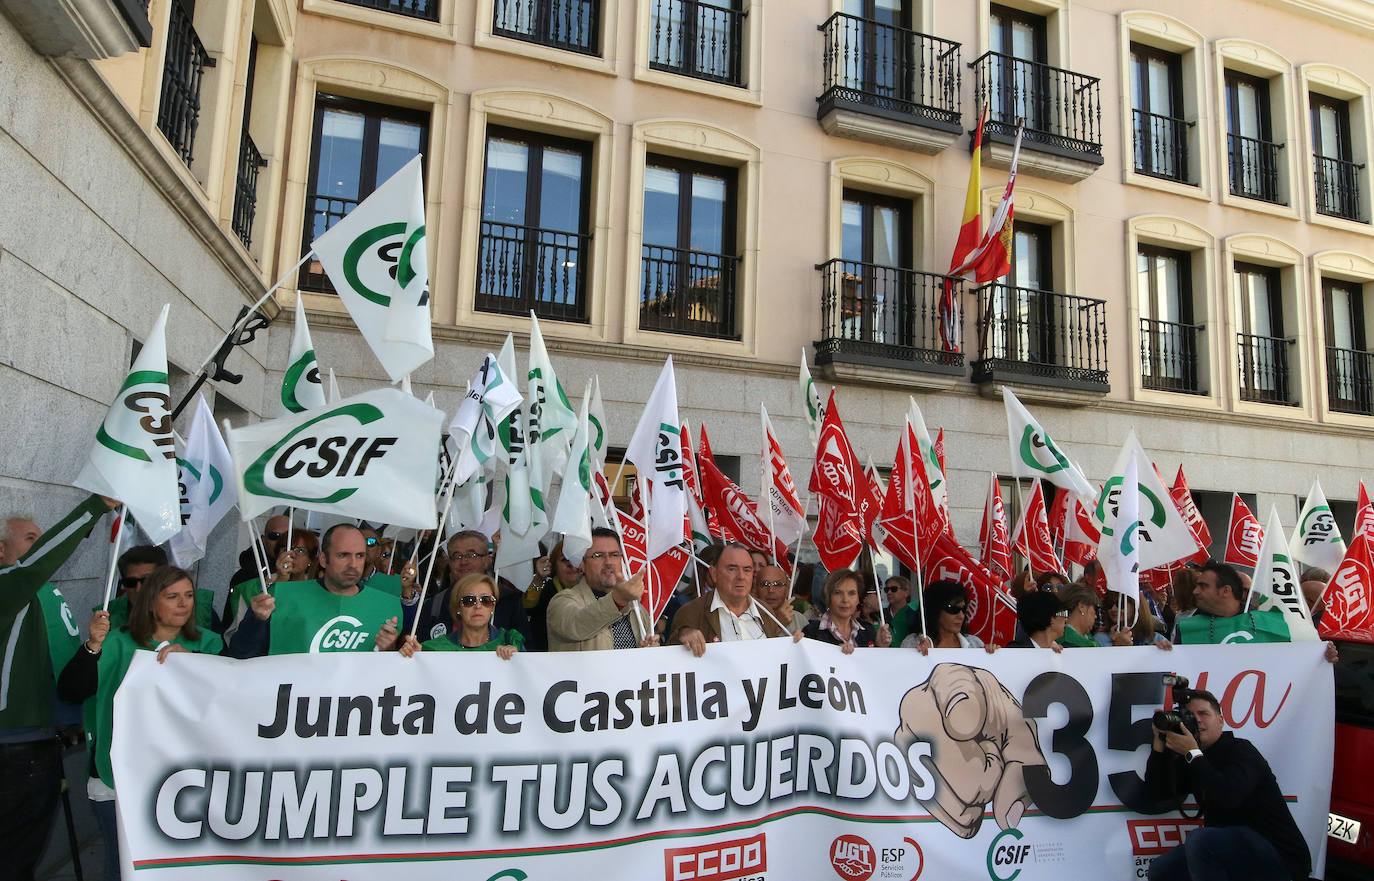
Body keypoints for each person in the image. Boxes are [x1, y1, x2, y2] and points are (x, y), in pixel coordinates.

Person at [58, 565, 222, 881]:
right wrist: (92, 645)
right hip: (116, 777)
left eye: (188, 595)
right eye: (172, 596)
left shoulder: (210, 644)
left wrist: (194, 666)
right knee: (123, 868)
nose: (184, 604)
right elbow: (70, 690)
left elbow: (226, 704)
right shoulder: (115, 642)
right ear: (149, 603)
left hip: (186, 780)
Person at [0, 493, 114, 881]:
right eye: (31, 538)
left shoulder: (33, 594)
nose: (42, 545)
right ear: (1, 550)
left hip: (34, 743)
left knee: (21, 859)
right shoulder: (8, 587)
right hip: (12, 748)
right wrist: (95, 506)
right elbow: (38, 563)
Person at [1144, 689, 1311, 881]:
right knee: (1162, 870)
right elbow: (1155, 794)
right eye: (1190, 716)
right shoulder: (1192, 757)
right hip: (1231, 853)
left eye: (1204, 714)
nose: (1197, 720)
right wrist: (1159, 741)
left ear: (1221, 721)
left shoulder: (1241, 750)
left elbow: (1229, 795)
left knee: (1200, 841)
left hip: (1278, 855)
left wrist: (1193, 754)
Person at [227, 524, 417, 657]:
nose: (353, 564)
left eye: (360, 556)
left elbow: (394, 681)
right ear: (324, 560)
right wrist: (256, 620)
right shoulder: (280, 597)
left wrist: (391, 651)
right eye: (343, 555)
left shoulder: (387, 606)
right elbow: (241, 653)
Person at [1175, 562, 1339, 662]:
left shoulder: (1273, 623)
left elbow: (1298, 661)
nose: (1195, 591)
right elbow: (1178, 668)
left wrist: (1323, 657)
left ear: (1225, 591)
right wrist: (1162, 652)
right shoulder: (1188, 628)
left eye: (1203, 586)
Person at [671, 546, 796, 656]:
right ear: (714, 574)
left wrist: (795, 646)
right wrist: (682, 636)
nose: (741, 576)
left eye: (747, 570)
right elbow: (670, 661)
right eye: (732, 569)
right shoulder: (692, 612)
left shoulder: (765, 612)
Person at [546, 528, 656, 651]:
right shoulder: (562, 601)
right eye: (598, 555)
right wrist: (617, 601)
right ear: (582, 564)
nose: (608, 562)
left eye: (614, 555)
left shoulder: (637, 610)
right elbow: (576, 624)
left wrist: (647, 653)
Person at [417, 531, 529, 644]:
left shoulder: (509, 602)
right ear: (450, 563)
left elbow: (526, 651)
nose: (464, 561)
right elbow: (421, 653)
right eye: (457, 556)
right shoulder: (435, 605)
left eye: (471, 555)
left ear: (486, 560)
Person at [107, 544, 222, 634]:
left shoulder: (201, 609)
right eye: (130, 582)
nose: (139, 589)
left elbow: (221, 661)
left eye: (146, 580)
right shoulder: (109, 615)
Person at [419, 573, 523, 658]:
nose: (478, 606)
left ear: (493, 607)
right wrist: (412, 656)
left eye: (486, 600)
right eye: (469, 600)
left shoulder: (510, 642)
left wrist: (518, 658)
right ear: (458, 607)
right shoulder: (435, 649)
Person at [803, 569, 892, 653]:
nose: (845, 600)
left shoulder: (869, 631)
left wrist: (880, 647)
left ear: (858, 598)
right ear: (828, 597)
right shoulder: (811, 632)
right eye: (838, 593)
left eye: (851, 593)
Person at [522, 541, 581, 652]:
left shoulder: (594, 590)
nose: (572, 564)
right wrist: (538, 578)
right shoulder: (546, 589)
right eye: (564, 560)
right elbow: (528, 607)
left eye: (577, 559)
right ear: (553, 565)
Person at [905, 580, 991, 652]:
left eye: (963, 609)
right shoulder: (913, 643)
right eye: (953, 609)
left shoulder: (974, 644)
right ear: (934, 610)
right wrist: (916, 656)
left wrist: (993, 654)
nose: (961, 616)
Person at [1097, 590, 1170, 647]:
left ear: (1136, 606)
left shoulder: (1156, 639)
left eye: (1121, 604)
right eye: (1109, 604)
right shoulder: (1100, 639)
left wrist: (1163, 652)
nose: (1113, 609)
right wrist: (1117, 647)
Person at [752, 563, 807, 635]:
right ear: (755, 589)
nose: (771, 590)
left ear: (787, 590)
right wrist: (779, 625)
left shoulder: (799, 619)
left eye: (777, 584)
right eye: (765, 584)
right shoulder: (748, 618)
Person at [1057, 583, 1099, 647]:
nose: (1095, 616)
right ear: (1082, 607)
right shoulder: (1066, 643)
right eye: (1094, 608)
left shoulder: (1089, 639)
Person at [884, 575, 921, 647]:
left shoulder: (915, 614)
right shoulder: (881, 614)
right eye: (886, 589)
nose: (889, 592)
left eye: (893, 589)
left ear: (906, 592)